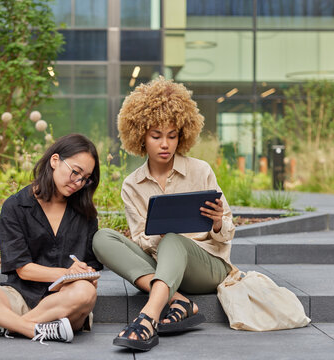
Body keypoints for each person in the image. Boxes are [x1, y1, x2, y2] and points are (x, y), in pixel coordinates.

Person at [93, 77, 235, 351]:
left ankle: (148, 318)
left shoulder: (201, 170)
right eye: (156, 136)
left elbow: (227, 234)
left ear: (182, 135)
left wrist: (218, 222)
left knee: (172, 239)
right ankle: (179, 300)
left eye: (172, 135)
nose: (165, 144)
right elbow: (140, 240)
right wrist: (158, 234)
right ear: (140, 136)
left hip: (208, 266)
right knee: (101, 238)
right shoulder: (132, 185)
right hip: (162, 263)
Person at [0, 133, 102, 344]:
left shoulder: (85, 214)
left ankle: (3, 326)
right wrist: (67, 272)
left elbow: (89, 268)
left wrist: (86, 274)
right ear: (55, 161)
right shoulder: (16, 206)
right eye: (75, 172)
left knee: (85, 292)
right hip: (16, 297)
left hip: (63, 302)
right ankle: (32, 329)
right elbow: (23, 269)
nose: (78, 182)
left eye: (85, 178)